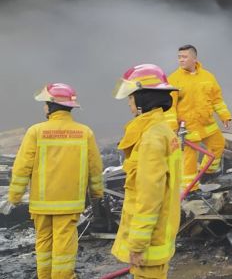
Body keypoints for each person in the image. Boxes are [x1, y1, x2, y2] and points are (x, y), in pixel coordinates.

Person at [0, 83, 104, 279]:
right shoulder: (85, 132)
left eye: (45, 103)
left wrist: (14, 197)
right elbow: (95, 169)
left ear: (51, 106)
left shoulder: (36, 132)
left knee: (44, 243)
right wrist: (97, 194)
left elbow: (22, 168)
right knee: (64, 246)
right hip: (69, 203)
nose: (44, 107)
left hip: (41, 203)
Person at [111, 64, 182, 279]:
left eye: (132, 97)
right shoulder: (163, 131)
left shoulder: (151, 137)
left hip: (150, 240)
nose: (129, 103)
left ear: (144, 99)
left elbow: (149, 195)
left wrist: (138, 243)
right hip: (160, 232)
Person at [166, 44, 232, 192]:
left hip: (207, 123)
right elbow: (169, 106)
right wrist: (173, 128)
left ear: (194, 58)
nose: (180, 60)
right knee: (189, 159)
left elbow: (217, 99)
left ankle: (207, 173)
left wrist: (224, 115)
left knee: (218, 144)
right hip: (187, 127)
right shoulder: (173, 79)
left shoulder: (208, 76)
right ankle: (191, 189)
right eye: (179, 57)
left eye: (184, 57)